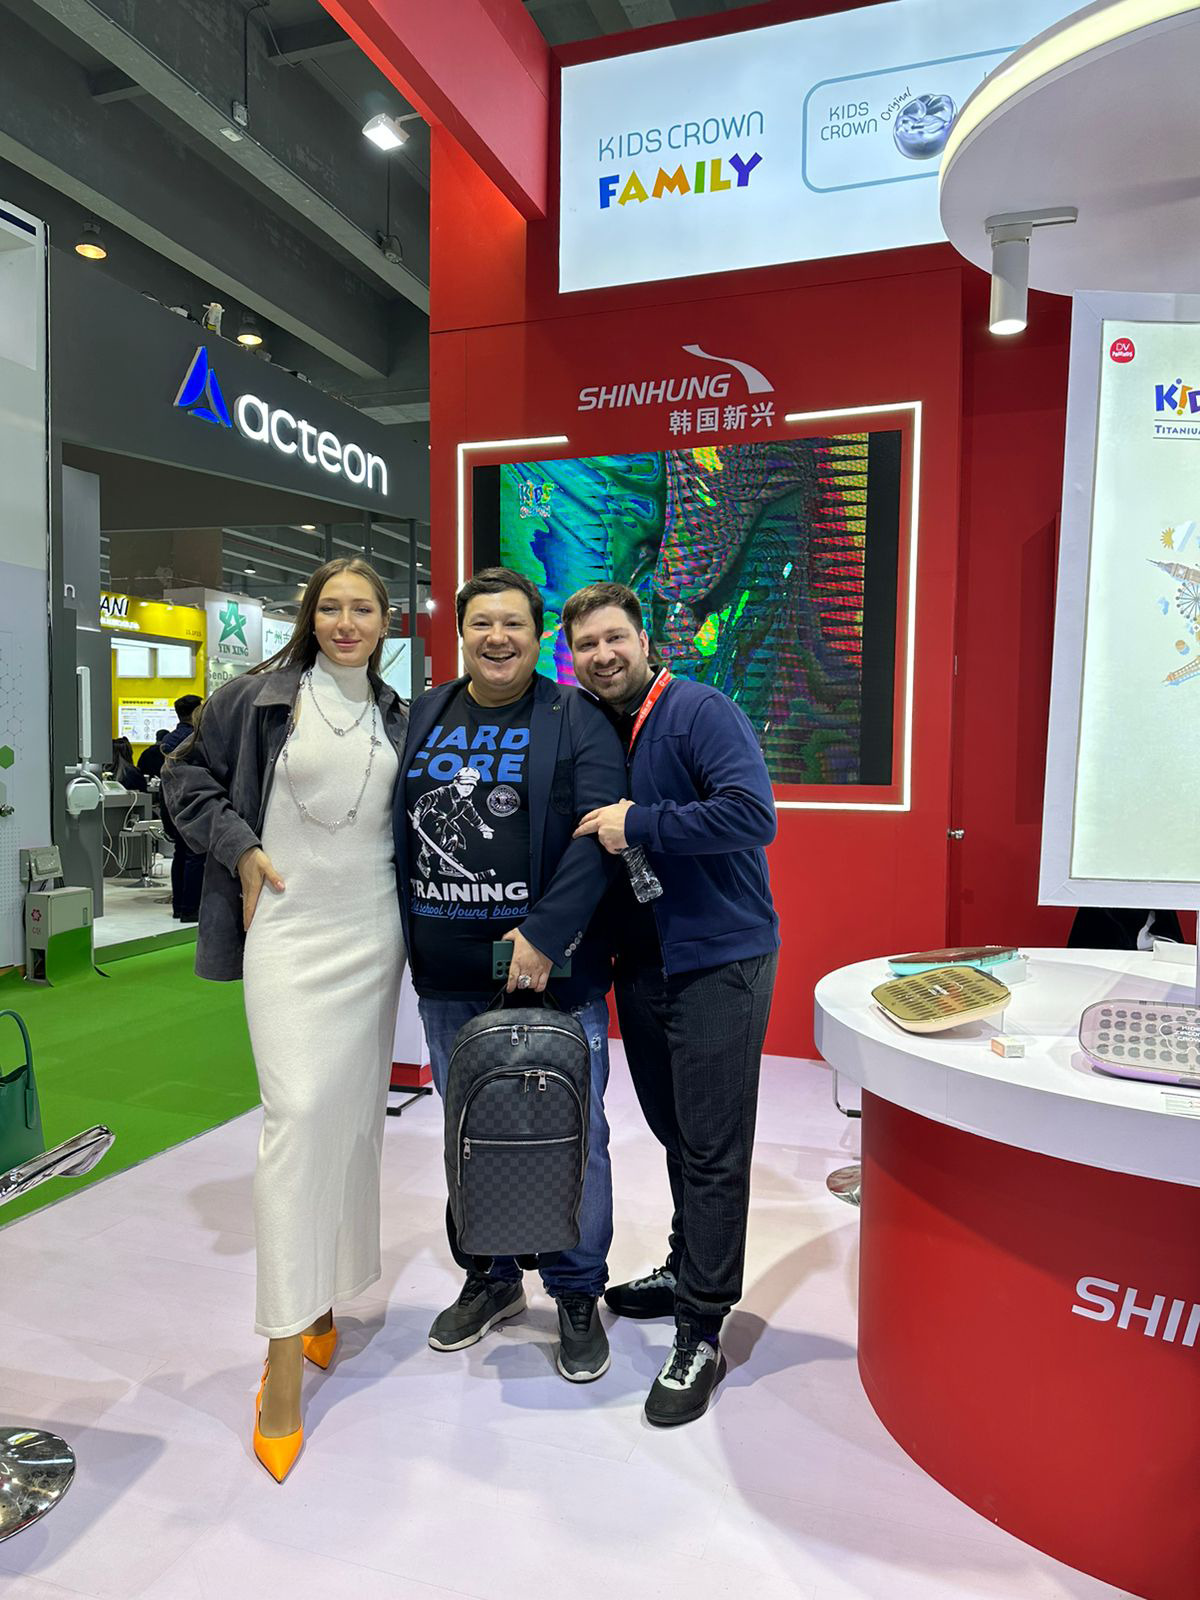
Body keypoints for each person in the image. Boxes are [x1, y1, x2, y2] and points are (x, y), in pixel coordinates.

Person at [162, 558, 408, 1482]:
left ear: (386, 622)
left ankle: (322, 1303)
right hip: (289, 930)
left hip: (373, 934)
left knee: (349, 1125)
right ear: (310, 615)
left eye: (363, 609)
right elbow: (184, 780)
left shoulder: (399, 714)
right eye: (330, 607)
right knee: (299, 1117)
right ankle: (280, 1360)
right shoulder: (258, 698)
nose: (346, 622)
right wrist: (241, 850)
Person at [396, 566, 626, 1383]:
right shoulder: (425, 713)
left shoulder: (577, 717)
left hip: (552, 972)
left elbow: (597, 837)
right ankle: (491, 1276)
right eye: (482, 624)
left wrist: (542, 935)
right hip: (448, 970)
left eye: (515, 624)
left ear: (538, 635)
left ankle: (574, 1289)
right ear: (461, 633)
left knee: (575, 1131)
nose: (498, 638)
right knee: (468, 1130)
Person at [564, 580, 779, 1427]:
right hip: (644, 963)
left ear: (645, 639)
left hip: (719, 959)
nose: (603, 655)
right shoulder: (598, 727)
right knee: (677, 1134)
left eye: (615, 637)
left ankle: (702, 1326)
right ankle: (688, 1266)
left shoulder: (698, 710)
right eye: (586, 645)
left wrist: (641, 822)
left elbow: (751, 816)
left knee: (714, 1148)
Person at [160, 696, 205, 921]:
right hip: (190, 802)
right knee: (195, 853)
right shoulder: (193, 739)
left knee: (180, 853)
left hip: (170, 803)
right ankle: (190, 908)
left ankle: (179, 906)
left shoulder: (168, 739)